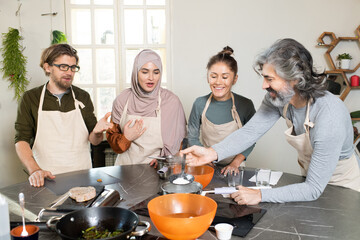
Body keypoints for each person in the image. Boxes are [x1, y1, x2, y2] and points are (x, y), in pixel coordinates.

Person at [182, 38, 360, 204]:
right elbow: (249, 132)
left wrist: (259, 195)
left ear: (295, 80)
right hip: (309, 180)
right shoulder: (279, 99)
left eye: (270, 79)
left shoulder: (329, 115)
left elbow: (313, 189)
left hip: (343, 187)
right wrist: (211, 153)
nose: (263, 86)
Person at [15, 44, 113, 187]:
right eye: (63, 67)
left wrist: (98, 132)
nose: (69, 72)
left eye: (73, 68)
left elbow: (95, 140)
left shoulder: (82, 96)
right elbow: (21, 140)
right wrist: (35, 170)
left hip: (82, 177)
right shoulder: (31, 98)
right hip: (46, 178)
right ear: (47, 67)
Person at [106, 49, 186, 166]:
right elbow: (113, 140)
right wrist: (126, 138)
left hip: (157, 171)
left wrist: (164, 160)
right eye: (145, 72)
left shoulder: (171, 102)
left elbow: (179, 145)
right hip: (125, 170)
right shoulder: (122, 100)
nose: (151, 78)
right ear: (136, 72)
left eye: (156, 72)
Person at [187, 46, 256, 176]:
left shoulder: (245, 105)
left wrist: (235, 163)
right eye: (213, 76)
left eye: (225, 77)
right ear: (208, 77)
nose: (218, 82)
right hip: (206, 164)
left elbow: (251, 139)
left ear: (234, 79)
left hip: (235, 166)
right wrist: (205, 159)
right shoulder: (199, 104)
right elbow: (192, 136)